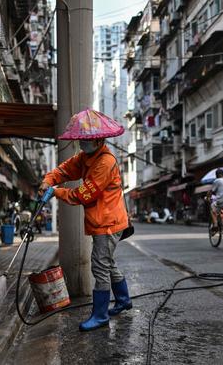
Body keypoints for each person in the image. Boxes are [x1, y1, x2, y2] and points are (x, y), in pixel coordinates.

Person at [39, 109, 131, 332]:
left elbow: (83, 195)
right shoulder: (85, 157)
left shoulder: (105, 163)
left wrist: (57, 192)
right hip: (101, 221)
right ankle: (123, 300)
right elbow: (64, 170)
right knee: (107, 263)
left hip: (108, 223)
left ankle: (100, 316)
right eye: (80, 139)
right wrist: (48, 181)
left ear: (98, 140)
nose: (81, 143)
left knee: (100, 266)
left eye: (85, 140)